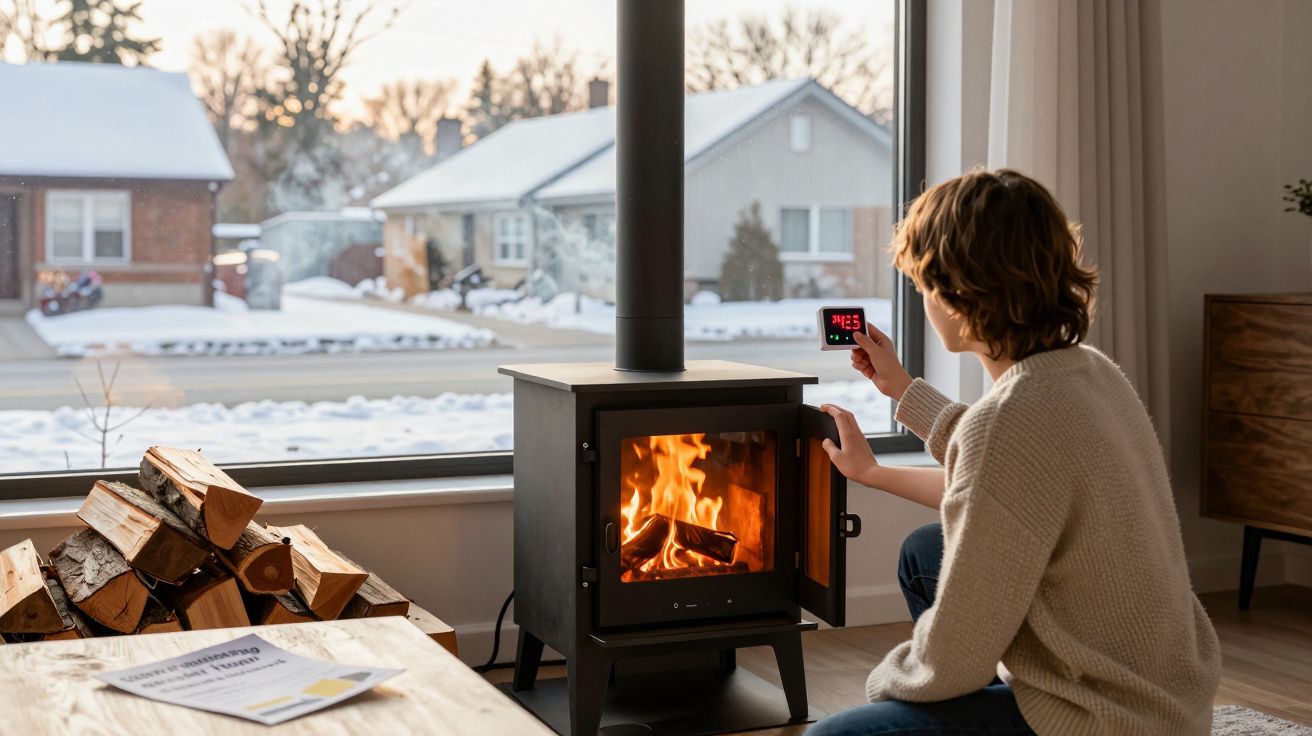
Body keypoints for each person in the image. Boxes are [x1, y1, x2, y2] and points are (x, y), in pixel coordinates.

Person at [808, 169, 1220, 735]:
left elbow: (952, 657)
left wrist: (887, 688)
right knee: (926, 552)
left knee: (834, 735)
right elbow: (1006, 473)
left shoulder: (1010, 420)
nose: (925, 299)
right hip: (1169, 693)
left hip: (1106, 717)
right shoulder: (1092, 373)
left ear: (958, 292)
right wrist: (897, 405)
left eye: (926, 286)